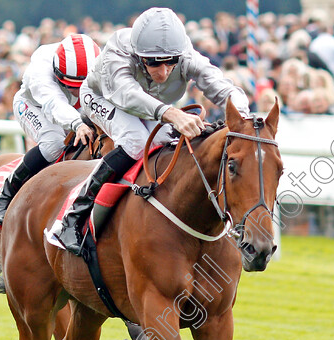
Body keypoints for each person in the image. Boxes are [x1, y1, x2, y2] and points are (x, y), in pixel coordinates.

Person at [49, 7, 250, 254]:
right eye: (154, 63)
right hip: (103, 98)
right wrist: (172, 114)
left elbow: (221, 86)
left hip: (150, 107)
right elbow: (126, 94)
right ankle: (73, 218)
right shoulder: (118, 52)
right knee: (135, 142)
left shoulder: (185, 54)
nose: (164, 72)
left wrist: (245, 118)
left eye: (171, 63)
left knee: (170, 140)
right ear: (139, 55)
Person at [0, 34, 100, 226]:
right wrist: (77, 124)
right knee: (53, 144)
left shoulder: (98, 62)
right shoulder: (41, 71)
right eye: (73, 87)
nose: (79, 92)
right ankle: (5, 195)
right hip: (34, 105)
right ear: (58, 74)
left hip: (73, 108)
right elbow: (54, 104)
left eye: (83, 86)